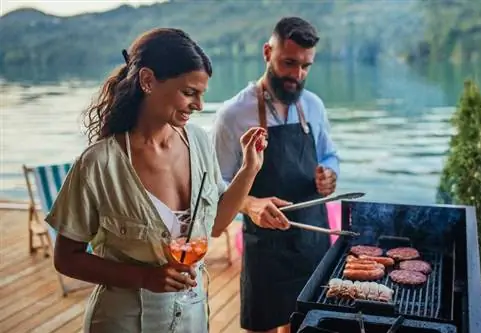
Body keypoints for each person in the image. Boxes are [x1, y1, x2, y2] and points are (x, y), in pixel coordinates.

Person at [45, 28, 267, 333]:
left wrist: (249, 169)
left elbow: (215, 225)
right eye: (189, 92)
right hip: (122, 323)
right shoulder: (99, 163)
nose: (199, 105)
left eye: (202, 94)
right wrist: (144, 278)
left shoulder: (199, 142)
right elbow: (66, 259)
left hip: (192, 319)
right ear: (147, 81)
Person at [213, 17, 340, 333]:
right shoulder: (233, 114)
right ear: (267, 52)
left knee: (306, 324)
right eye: (289, 63)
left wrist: (330, 173)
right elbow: (216, 186)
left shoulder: (314, 106)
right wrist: (250, 203)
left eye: (306, 66)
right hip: (266, 248)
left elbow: (329, 155)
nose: (298, 75)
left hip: (313, 238)